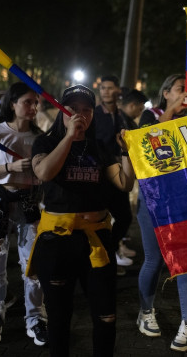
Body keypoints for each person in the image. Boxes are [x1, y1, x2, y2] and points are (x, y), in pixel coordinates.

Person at [28, 84, 135, 356]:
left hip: (96, 240)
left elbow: (123, 183)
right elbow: (43, 173)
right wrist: (68, 138)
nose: (80, 114)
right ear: (61, 111)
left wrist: (126, 152)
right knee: (60, 317)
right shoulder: (46, 143)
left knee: (106, 315)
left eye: (86, 109)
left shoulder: (98, 148)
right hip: (57, 241)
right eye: (72, 109)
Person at [0, 82, 47, 345]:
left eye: (36, 102)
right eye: (27, 101)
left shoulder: (40, 137)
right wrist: (10, 166)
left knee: (33, 264)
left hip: (29, 202)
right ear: (12, 103)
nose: (33, 107)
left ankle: (36, 318)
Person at [136, 74, 187, 352]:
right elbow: (151, 139)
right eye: (180, 89)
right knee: (154, 260)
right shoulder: (150, 116)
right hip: (153, 201)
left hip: (185, 203)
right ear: (165, 94)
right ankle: (145, 310)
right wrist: (173, 112)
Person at [94, 75, 136, 274]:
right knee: (100, 219)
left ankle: (110, 251)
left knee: (125, 217)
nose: (106, 91)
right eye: (103, 88)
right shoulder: (93, 114)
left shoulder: (123, 116)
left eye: (110, 88)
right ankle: (102, 259)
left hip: (121, 174)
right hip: (101, 175)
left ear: (118, 90)